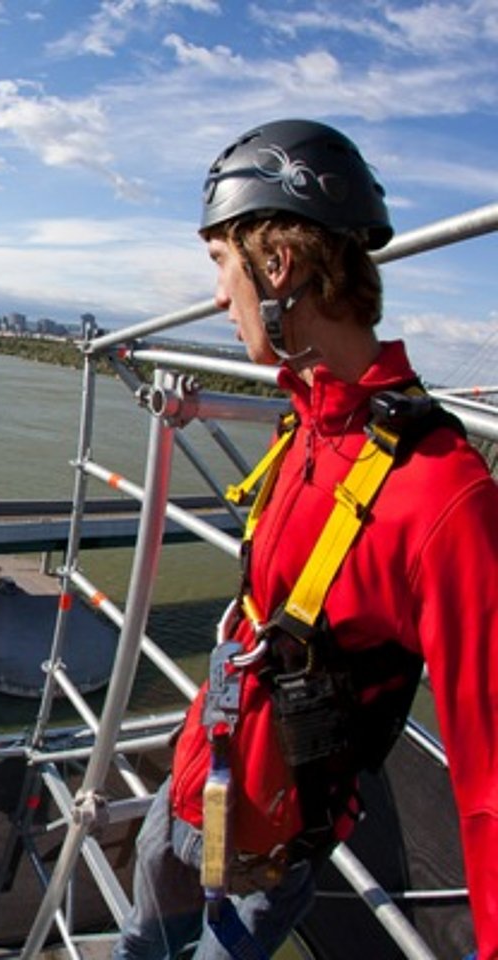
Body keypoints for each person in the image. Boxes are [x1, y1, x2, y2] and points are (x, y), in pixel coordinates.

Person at [111, 119, 498, 959]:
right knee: (143, 938)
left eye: (222, 264)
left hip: (271, 838)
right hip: (201, 776)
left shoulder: (442, 495)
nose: (218, 296)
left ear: (277, 268)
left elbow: (493, 782)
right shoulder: (312, 424)